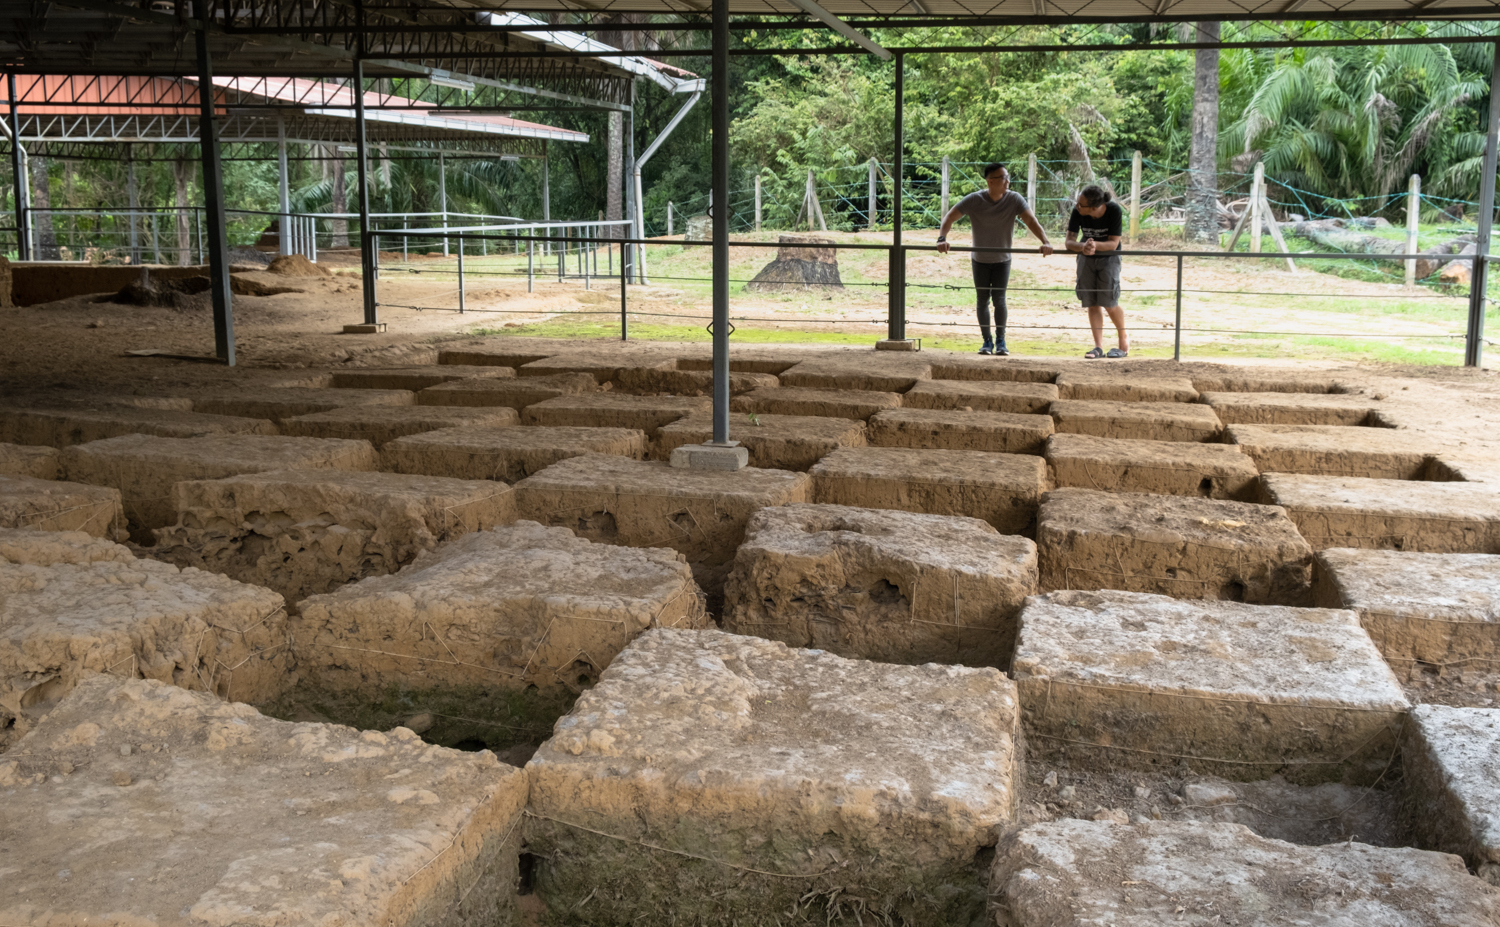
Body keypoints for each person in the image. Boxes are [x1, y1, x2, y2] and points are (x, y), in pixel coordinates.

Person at [937, 163, 1053, 356]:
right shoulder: (975, 199)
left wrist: (1046, 241)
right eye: (1003, 178)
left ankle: (1001, 341)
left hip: (1002, 260)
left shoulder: (1014, 199)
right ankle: (986, 342)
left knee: (999, 300)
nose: (1008, 181)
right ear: (990, 181)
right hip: (980, 259)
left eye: (1008, 177)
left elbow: (1031, 220)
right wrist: (942, 238)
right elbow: (949, 217)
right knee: (982, 300)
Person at [1065, 184, 1129, 359]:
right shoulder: (1078, 212)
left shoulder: (1114, 210)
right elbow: (1069, 241)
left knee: (1109, 301)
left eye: (1081, 204)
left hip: (1109, 258)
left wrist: (1094, 245)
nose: (1077, 206)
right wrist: (1082, 246)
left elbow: (1113, 243)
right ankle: (1098, 346)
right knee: (1091, 301)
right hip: (1086, 257)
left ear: (1094, 207)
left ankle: (1122, 336)